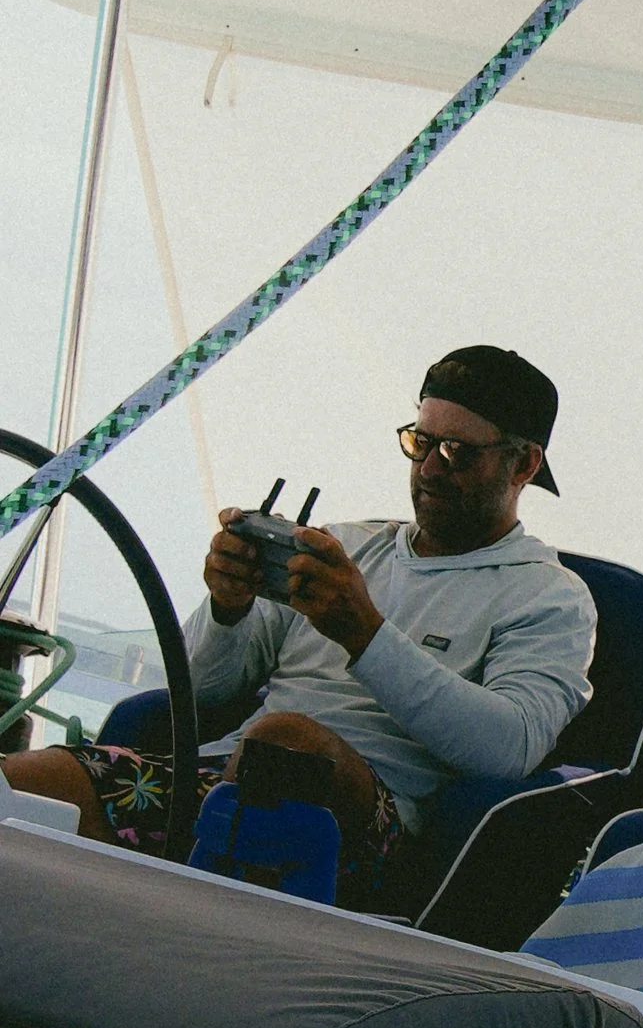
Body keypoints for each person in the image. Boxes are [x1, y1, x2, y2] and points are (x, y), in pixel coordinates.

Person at [7, 347, 596, 906]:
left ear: (523, 464)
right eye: (421, 443)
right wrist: (227, 608)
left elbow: (509, 748)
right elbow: (197, 692)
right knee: (24, 783)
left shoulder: (549, 597)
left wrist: (363, 632)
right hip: (221, 779)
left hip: (370, 824)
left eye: (458, 453)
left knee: (287, 743)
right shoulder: (344, 547)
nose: (430, 469)